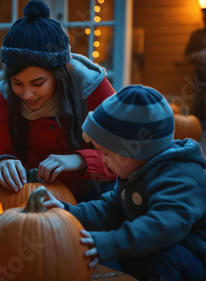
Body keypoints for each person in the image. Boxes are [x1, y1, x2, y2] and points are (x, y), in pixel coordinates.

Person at [43, 85, 206, 281]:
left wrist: (108, 243)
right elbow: (110, 209)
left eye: (107, 153)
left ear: (136, 151)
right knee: (132, 252)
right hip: (157, 253)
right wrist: (66, 212)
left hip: (194, 260)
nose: (102, 160)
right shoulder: (135, 171)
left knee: (165, 257)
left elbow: (160, 228)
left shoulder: (180, 178)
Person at [0, 0, 117, 200]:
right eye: (18, 83)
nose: (26, 94)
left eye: (38, 83)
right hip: (33, 200)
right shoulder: (7, 98)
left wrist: (80, 160)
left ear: (59, 76)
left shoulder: (94, 89)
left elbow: (125, 156)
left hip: (93, 199)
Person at [184, 7, 206, 124]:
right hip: (200, 73)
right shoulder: (197, 35)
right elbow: (187, 55)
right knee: (199, 102)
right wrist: (198, 56)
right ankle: (199, 125)